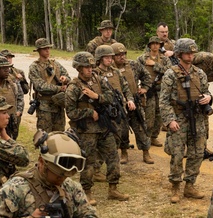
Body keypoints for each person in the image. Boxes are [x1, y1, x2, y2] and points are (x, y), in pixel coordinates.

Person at [65, 51, 125, 203]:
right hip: (87, 131)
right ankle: (87, 191)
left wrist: (96, 97)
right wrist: (89, 112)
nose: (90, 69)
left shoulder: (99, 79)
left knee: (113, 156)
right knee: (88, 161)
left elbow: (111, 97)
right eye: (86, 67)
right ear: (79, 68)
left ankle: (113, 189)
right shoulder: (73, 87)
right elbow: (71, 112)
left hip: (104, 127)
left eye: (91, 66)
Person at [160, 38, 213, 203]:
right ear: (179, 54)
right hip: (179, 118)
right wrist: (170, 120)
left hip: (197, 117)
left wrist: (208, 98)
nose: (190, 55)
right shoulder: (170, 74)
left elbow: (206, 92)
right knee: (177, 154)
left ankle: (190, 185)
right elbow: (164, 100)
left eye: (192, 52)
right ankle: (175, 186)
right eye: (187, 53)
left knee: (197, 153)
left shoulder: (200, 73)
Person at [113, 42, 154, 164]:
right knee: (122, 130)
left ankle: (146, 152)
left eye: (123, 54)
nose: (122, 56)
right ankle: (124, 152)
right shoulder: (110, 69)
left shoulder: (133, 65)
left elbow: (147, 76)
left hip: (135, 102)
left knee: (141, 127)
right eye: (118, 54)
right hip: (119, 105)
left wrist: (145, 88)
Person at [94, 44, 131, 165]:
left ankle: (118, 157)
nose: (110, 60)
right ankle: (98, 166)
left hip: (119, 109)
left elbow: (125, 87)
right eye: (107, 57)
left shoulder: (116, 72)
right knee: (105, 139)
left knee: (121, 134)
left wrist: (130, 100)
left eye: (111, 57)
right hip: (105, 112)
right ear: (100, 58)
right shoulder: (95, 74)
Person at [28, 38, 69, 133]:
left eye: (48, 48)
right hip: (44, 107)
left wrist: (65, 79)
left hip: (58, 105)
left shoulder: (56, 64)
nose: (47, 50)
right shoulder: (34, 67)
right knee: (44, 136)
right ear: (38, 50)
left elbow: (68, 77)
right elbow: (40, 86)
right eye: (44, 48)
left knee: (59, 135)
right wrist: (59, 88)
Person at [138, 36, 168, 147]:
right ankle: (147, 137)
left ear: (160, 45)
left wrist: (154, 65)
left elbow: (169, 71)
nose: (155, 45)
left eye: (157, 43)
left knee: (159, 115)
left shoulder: (164, 59)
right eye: (153, 43)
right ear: (150, 45)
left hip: (161, 90)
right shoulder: (142, 58)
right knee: (149, 115)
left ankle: (154, 137)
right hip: (148, 90)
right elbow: (136, 71)